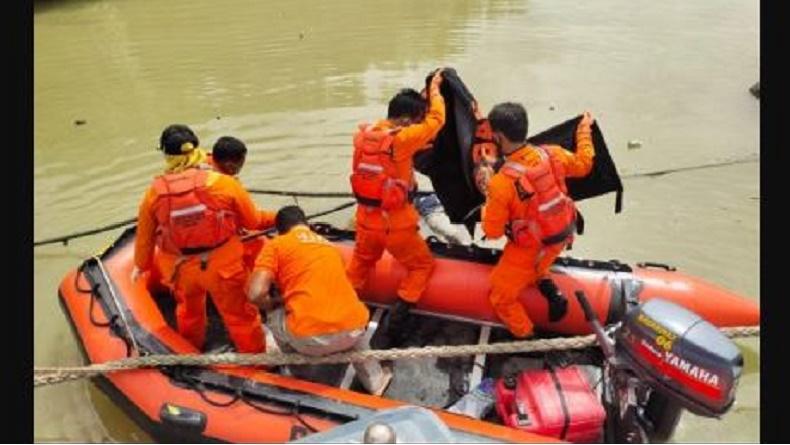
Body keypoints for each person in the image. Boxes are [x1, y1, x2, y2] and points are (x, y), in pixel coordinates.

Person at [132, 124, 273, 353]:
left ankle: (191, 353)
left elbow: (145, 236)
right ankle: (257, 362)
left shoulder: (154, 193)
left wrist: (140, 265)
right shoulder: (222, 183)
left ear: (166, 154)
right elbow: (251, 222)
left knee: (189, 314)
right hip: (223, 267)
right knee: (240, 317)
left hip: (181, 269)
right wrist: (280, 217)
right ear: (196, 148)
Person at [247, 206, 393, 395]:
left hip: (312, 342)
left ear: (280, 230)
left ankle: (297, 373)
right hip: (354, 332)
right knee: (350, 313)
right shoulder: (330, 246)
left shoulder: (277, 245)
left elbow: (256, 294)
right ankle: (376, 381)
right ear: (306, 224)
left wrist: (274, 302)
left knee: (273, 313)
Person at [345, 69, 446, 339]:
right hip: (396, 225)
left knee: (360, 265)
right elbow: (438, 119)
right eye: (414, 122)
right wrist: (435, 88)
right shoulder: (402, 140)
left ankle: (345, 307)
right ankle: (399, 315)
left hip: (366, 221)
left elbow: (385, 162)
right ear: (404, 120)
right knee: (422, 266)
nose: (415, 127)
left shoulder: (363, 137)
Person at [482, 103, 595, 337]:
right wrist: (583, 130)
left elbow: (491, 231)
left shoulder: (500, 184)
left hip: (531, 247)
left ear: (498, 136)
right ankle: (548, 287)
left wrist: (487, 192)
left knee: (500, 297)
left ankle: (528, 338)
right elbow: (585, 164)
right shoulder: (551, 153)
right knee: (538, 264)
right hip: (562, 235)